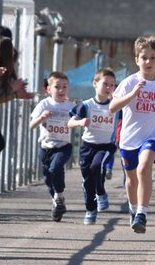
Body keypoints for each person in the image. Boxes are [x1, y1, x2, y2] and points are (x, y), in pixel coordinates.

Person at [110, 35, 155, 233]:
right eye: (144, 57)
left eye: (152, 57)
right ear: (137, 60)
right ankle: (134, 209)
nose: (148, 62)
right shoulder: (128, 82)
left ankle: (142, 212)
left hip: (151, 136)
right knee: (131, 180)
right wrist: (132, 95)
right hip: (128, 139)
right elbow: (112, 108)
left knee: (144, 170)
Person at [73, 68, 118, 225]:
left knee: (96, 167)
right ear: (95, 84)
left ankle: (100, 194)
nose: (109, 88)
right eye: (105, 84)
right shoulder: (86, 105)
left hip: (106, 146)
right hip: (87, 146)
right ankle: (91, 208)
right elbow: (70, 122)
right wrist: (80, 122)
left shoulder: (116, 106)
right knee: (87, 180)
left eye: (112, 85)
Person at [29, 71, 75, 221]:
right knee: (48, 179)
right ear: (49, 89)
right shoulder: (44, 104)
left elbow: (79, 120)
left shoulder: (71, 105)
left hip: (63, 145)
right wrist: (42, 117)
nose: (61, 90)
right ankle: (57, 201)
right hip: (46, 147)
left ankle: (59, 196)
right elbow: (31, 125)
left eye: (64, 87)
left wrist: (78, 121)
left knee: (56, 168)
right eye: (57, 87)